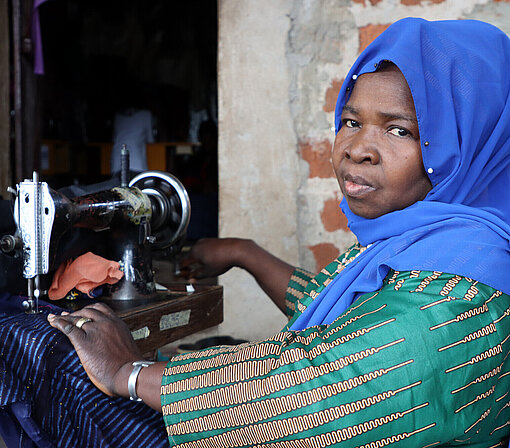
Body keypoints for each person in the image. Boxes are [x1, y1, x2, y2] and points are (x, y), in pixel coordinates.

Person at [48, 18, 510, 447]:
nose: (357, 149)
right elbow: (343, 314)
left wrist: (129, 372)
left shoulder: (457, 298)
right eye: (351, 121)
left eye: (399, 130)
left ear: (467, 144)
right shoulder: (436, 242)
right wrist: (245, 254)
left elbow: (318, 388)